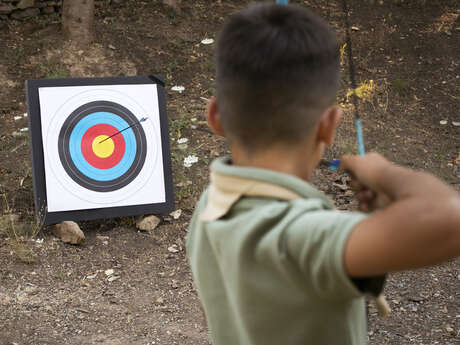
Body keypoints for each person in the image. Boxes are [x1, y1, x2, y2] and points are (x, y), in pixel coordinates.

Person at [186, 3, 460, 345]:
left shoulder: (209, 204)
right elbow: (450, 217)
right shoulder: (301, 236)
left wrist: (370, 224)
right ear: (328, 127)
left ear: (215, 117)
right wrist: (383, 170)